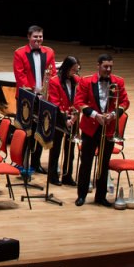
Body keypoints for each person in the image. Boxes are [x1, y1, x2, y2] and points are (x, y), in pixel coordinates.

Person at [73, 54, 129, 207]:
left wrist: (112, 115)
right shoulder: (86, 81)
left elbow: (125, 101)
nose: (108, 69)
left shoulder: (118, 82)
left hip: (108, 128)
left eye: (111, 66)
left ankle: (100, 196)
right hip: (91, 127)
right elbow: (79, 102)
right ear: (98, 65)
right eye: (105, 66)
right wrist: (95, 115)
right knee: (86, 163)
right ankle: (81, 195)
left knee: (104, 164)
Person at [13, 25, 57, 173]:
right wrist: (33, 93)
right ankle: (21, 162)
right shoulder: (20, 53)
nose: (38, 39)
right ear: (29, 37)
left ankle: (36, 162)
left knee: (40, 130)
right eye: (35, 37)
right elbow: (20, 77)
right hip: (27, 99)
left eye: (40, 37)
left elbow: (53, 74)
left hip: (44, 98)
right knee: (26, 130)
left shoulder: (49, 52)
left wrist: (46, 93)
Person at [47, 56, 81, 186]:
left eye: (76, 70)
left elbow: (80, 99)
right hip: (59, 118)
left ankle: (67, 176)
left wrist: (75, 116)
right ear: (66, 68)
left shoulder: (77, 80)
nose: (75, 73)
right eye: (73, 70)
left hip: (73, 118)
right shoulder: (54, 81)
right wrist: (65, 119)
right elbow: (55, 103)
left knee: (70, 149)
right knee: (55, 149)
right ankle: (53, 176)